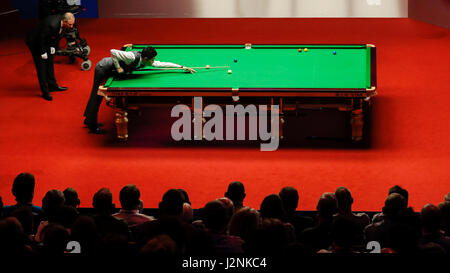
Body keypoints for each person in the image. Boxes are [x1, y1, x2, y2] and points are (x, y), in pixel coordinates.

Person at [83, 45, 196, 134]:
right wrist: (119, 68)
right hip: (103, 68)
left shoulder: (145, 60)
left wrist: (181, 67)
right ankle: (92, 125)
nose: (153, 62)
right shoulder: (132, 57)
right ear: (146, 58)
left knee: (96, 96)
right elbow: (113, 51)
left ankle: (88, 120)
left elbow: (161, 64)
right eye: (152, 59)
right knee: (96, 96)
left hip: (110, 70)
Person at [26, 12, 74, 101]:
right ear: (64, 21)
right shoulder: (52, 25)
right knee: (42, 67)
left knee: (50, 63)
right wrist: (43, 52)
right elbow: (41, 38)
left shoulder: (64, 24)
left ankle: (52, 86)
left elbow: (57, 36)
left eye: (72, 24)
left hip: (46, 41)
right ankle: (45, 91)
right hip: (36, 43)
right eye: (70, 24)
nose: (71, 26)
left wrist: (54, 47)